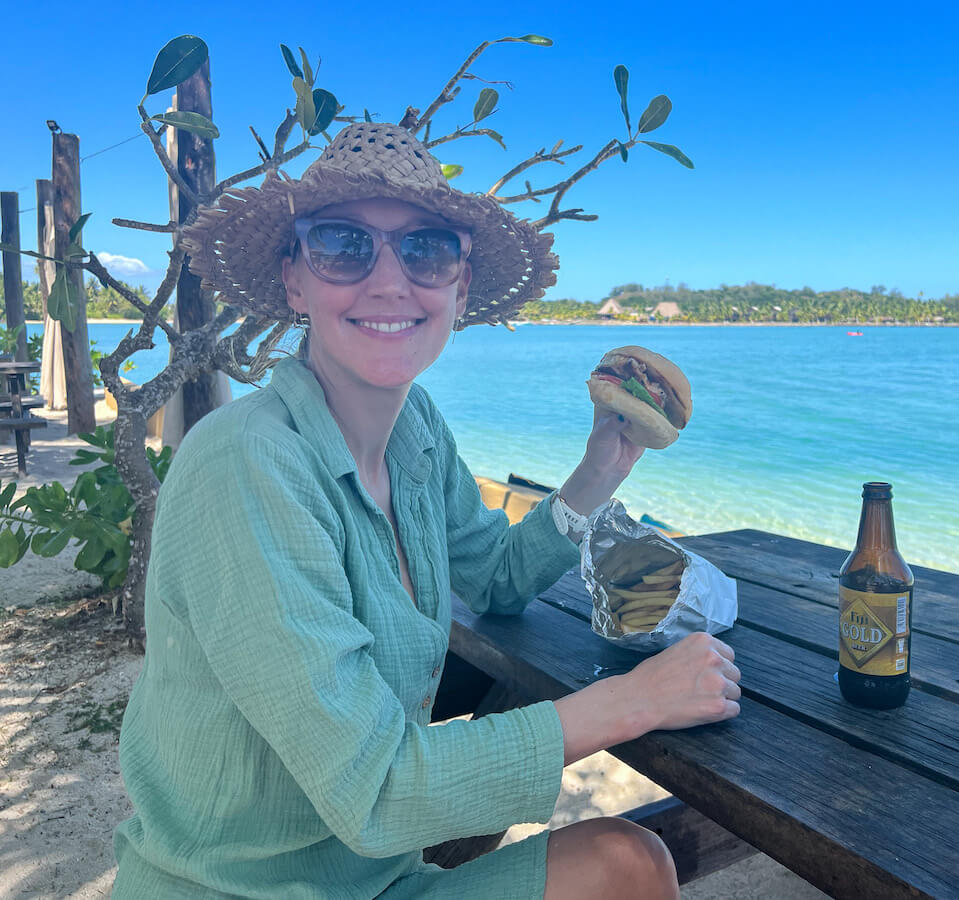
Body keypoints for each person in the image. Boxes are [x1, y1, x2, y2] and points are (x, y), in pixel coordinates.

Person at [112, 121, 741, 899]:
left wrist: (597, 471)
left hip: (377, 876)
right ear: (294, 280)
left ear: (460, 287)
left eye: (426, 249)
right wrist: (633, 701)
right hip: (234, 889)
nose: (388, 281)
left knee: (632, 863)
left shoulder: (416, 433)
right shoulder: (245, 463)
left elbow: (499, 579)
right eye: (343, 244)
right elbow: (375, 789)